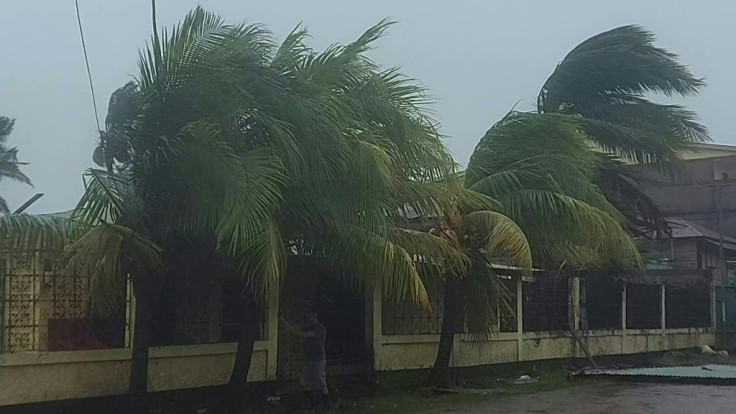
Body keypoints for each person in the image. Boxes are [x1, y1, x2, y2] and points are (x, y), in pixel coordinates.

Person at [280, 307, 330, 409]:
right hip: (308, 358)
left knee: (320, 381)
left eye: (310, 314)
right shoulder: (308, 326)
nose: (308, 316)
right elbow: (296, 328)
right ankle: (311, 404)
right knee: (307, 381)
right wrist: (283, 321)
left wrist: (291, 330)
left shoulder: (320, 328)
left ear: (315, 314)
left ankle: (326, 404)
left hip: (318, 359)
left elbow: (305, 335)